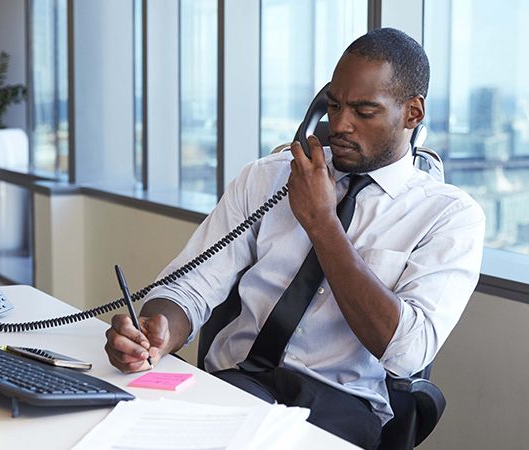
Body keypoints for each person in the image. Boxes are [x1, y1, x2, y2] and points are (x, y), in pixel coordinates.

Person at [104, 28, 485, 449]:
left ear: (412, 113)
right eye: (334, 105)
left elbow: (407, 351)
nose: (339, 124)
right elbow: (191, 283)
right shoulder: (268, 177)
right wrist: (159, 331)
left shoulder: (450, 215)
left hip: (342, 406)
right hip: (239, 384)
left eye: (363, 111)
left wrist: (322, 223)